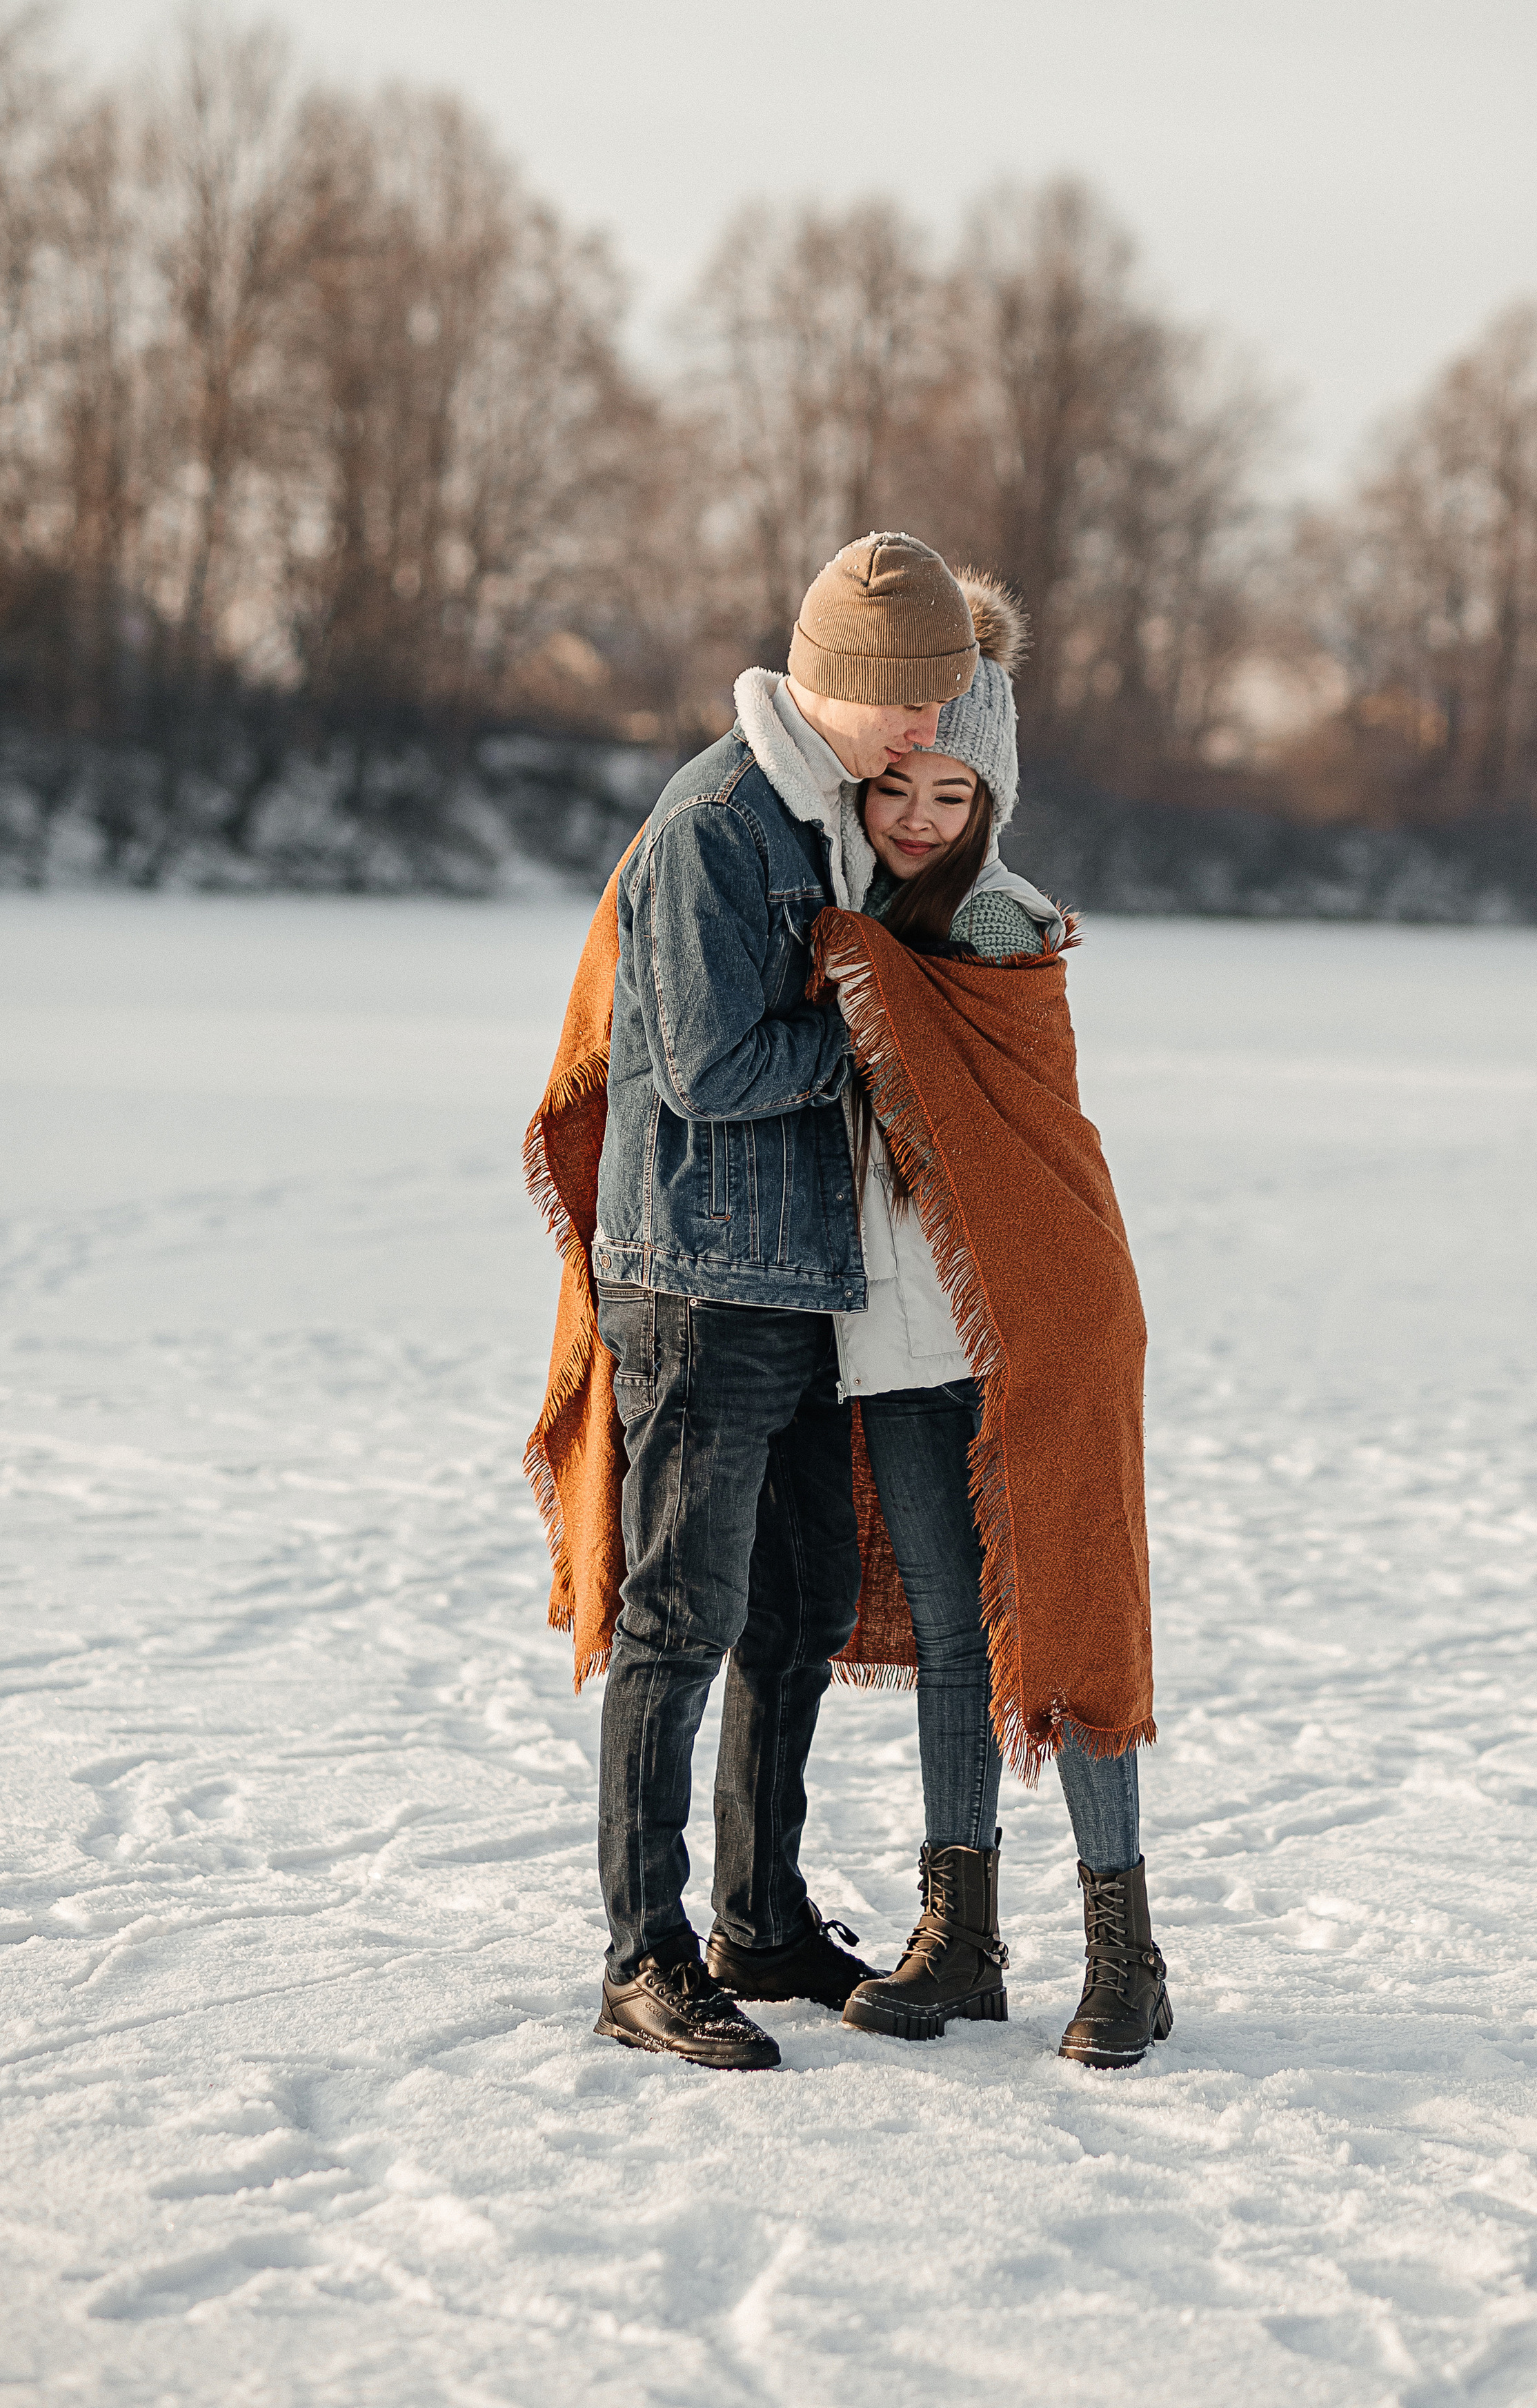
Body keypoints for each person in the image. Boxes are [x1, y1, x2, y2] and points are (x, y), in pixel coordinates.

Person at [584, 532, 979, 2069]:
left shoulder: (827, 811)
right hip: (692, 1282)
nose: (930, 731)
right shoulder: (717, 824)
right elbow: (709, 1068)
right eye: (916, 702)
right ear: (851, 690)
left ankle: (758, 1916)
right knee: (675, 1621)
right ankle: (643, 1952)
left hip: (796, 1279)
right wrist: (884, 1044)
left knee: (802, 1607)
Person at [829, 577, 1172, 2069]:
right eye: (894, 783)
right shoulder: (839, 913)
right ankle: (957, 1939)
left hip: (1032, 1322)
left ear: (991, 794)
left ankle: (1124, 1956)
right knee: (959, 1639)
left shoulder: (992, 920)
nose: (916, 814)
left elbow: (1008, 1137)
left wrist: (853, 974)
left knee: (1070, 1619)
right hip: (896, 1340)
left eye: (948, 787)